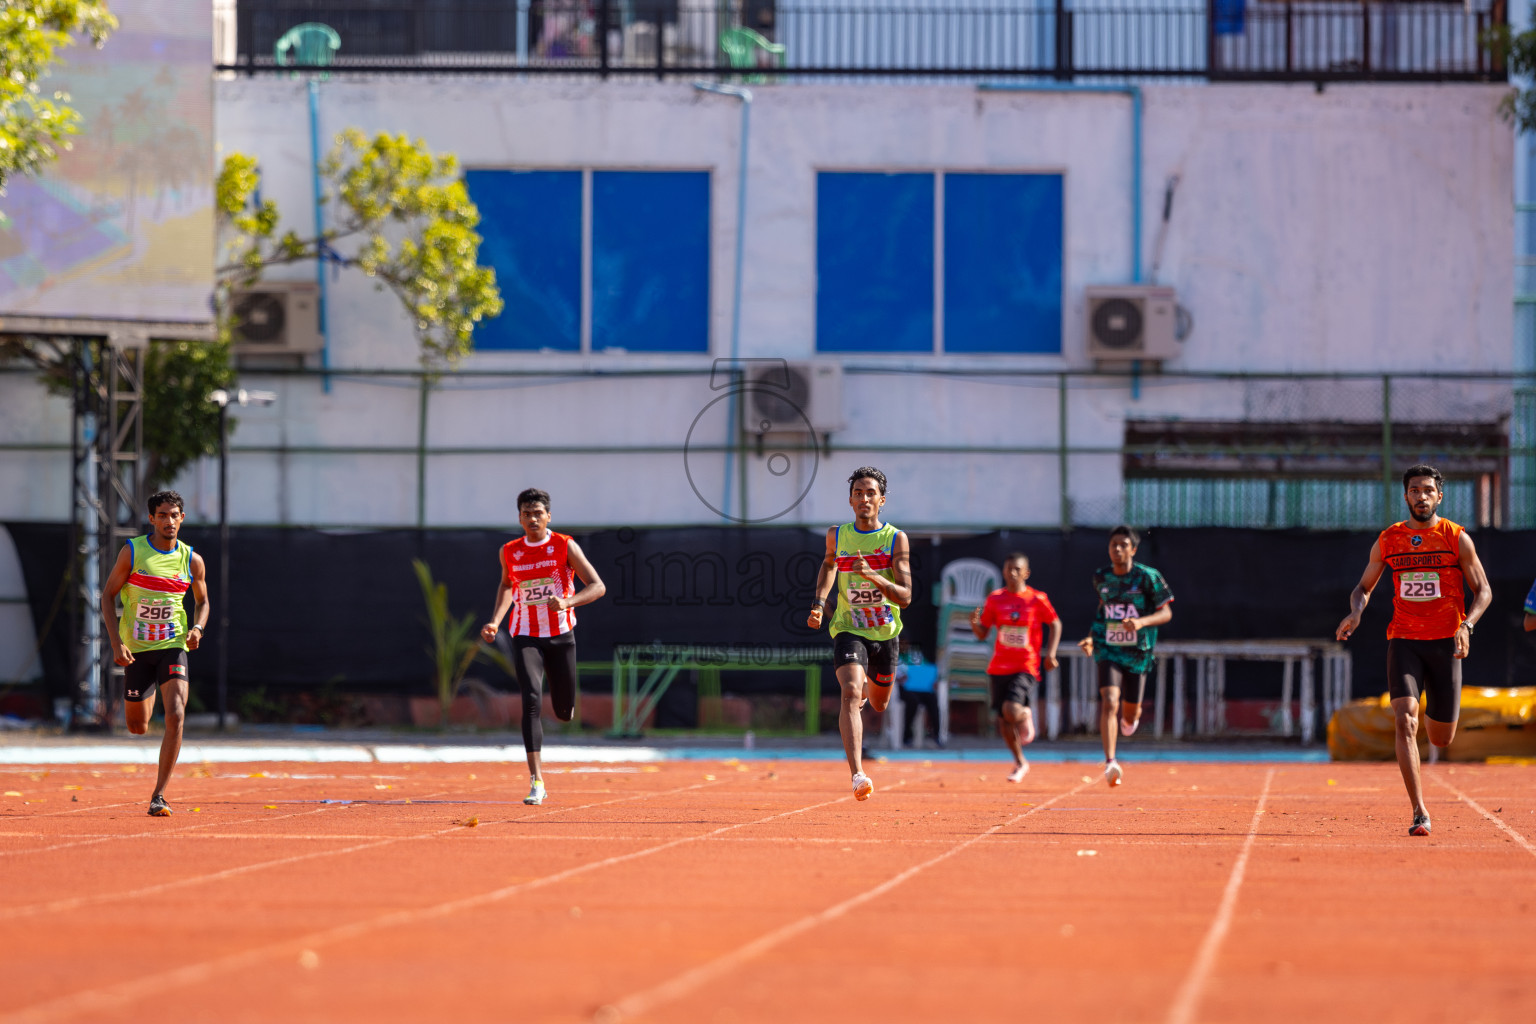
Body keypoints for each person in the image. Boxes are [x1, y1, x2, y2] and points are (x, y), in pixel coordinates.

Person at [1336, 464, 1491, 836]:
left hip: (1445, 643)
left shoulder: (1456, 538)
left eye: (1427, 490)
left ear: (1439, 496)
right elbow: (1364, 586)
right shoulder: (1389, 539)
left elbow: (1483, 591)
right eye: (1414, 490)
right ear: (1405, 496)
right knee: (1405, 718)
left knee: (1440, 738)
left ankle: (1433, 734)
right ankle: (1419, 811)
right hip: (1404, 640)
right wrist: (1356, 612)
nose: (1421, 497)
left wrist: (1467, 625)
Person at [481, 489, 606, 806]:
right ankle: (537, 780)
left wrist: (567, 601)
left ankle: (565, 706)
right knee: (532, 698)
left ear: (548, 516)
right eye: (526, 513)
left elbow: (597, 586)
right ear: (519, 518)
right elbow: (508, 585)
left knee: (563, 712)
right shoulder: (510, 551)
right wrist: (496, 621)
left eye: (538, 512)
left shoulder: (564, 545)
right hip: (524, 634)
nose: (532, 518)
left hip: (561, 635)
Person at [100, 490, 209, 817]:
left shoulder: (191, 560)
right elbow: (107, 597)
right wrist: (116, 643)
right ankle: (141, 701)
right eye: (162, 515)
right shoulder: (133, 552)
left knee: (176, 713)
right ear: (152, 518)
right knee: (137, 726)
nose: (169, 521)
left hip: (173, 646)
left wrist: (198, 629)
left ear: (182, 518)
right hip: (136, 651)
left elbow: (203, 601)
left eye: (174, 515)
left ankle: (159, 795)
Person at [808, 467, 913, 801]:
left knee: (878, 704)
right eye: (858, 493)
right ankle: (858, 774)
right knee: (851, 693)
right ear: (850, 500)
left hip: (885, 631)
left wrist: (873, 576)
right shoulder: (837, 536)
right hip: (848, 628)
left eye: (870, 493)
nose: (864, 498)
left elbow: (906, 596)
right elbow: (828, 566)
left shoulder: (895, 539)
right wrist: (818, 602)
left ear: (881, 500)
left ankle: (871, 686)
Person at [1076, 525, 1173, 788]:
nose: (1117, 549)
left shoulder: (1148, 577)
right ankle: (1110, 762)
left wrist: (1141, 623)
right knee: (1109, 700)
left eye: (1122, 544)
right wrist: (1091, 638)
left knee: (1129, 716)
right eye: (1113, 545)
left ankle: (1131, 718)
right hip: (1109, 648)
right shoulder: (1101, 577)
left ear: (1133, 549)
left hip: (1138, 653)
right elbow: (1102, 612)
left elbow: (1166, 613)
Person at [970, 552, 1061, 783]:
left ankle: (1025, 714)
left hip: (1025, 665)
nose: (1012, 573)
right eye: (1008, 568)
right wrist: (974, 624)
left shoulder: (1036, 599)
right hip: (999, 667)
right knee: (1003, 721)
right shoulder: (995, 599)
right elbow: (983, 633)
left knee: (1012, 711)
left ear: (1026, 573)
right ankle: (1020, 762)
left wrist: (1050, 653)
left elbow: (1055, 623)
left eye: (1017, 569)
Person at [896, 640, 941, 749]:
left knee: (933, 699)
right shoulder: (894, 657)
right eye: (902, 643)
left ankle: (936, 735)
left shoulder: (915, 655)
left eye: (906, 643)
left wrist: (932, 680)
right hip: (903, 689)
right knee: (913, 701)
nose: (904, 646)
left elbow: (925, 668)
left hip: (921, 688)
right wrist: (900, 678)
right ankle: (907, 735)